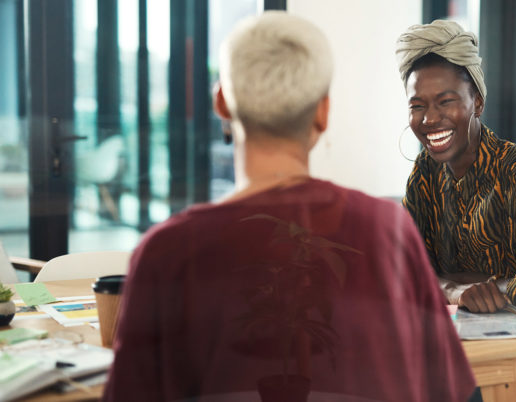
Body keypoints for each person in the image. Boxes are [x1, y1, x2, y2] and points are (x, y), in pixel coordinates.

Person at [104, 12, 476, 402]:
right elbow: (446, 391)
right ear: (323, 112)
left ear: (221, 103)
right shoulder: (390, 230)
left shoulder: (165, 253)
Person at [396, 20, 516, 402]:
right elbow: (408, 276)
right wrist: (457, 289)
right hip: (460, 350)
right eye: (418, 106)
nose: (429, 119)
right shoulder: (425, 173)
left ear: (477, 101)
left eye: (445, 101)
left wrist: (481, 286)